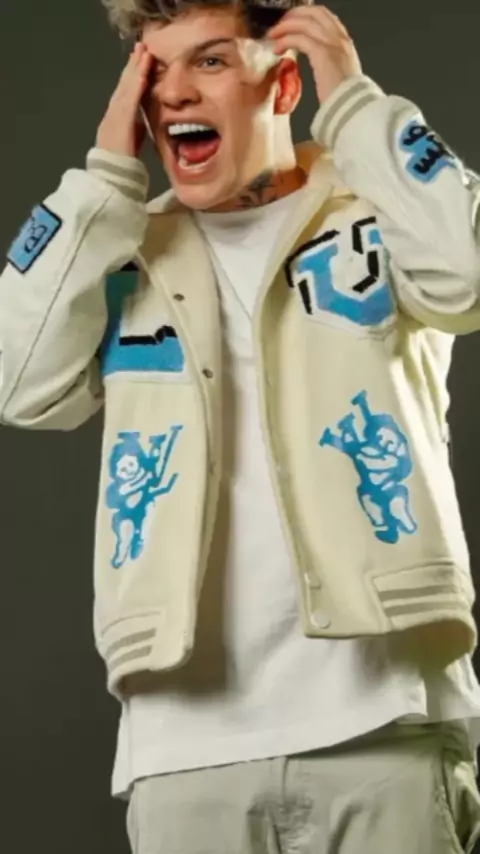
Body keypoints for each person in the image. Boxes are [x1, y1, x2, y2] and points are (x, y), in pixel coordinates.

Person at [2, 0, 480, 850]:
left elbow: (467, 276)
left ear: (285, 83)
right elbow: (21, 386)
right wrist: (103, 183)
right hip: (184, 751)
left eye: (212, 61)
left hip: (387, 723)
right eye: (156, 70)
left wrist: (357, 104)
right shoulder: (120, 249)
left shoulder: (380, 213)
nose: (174, 93)